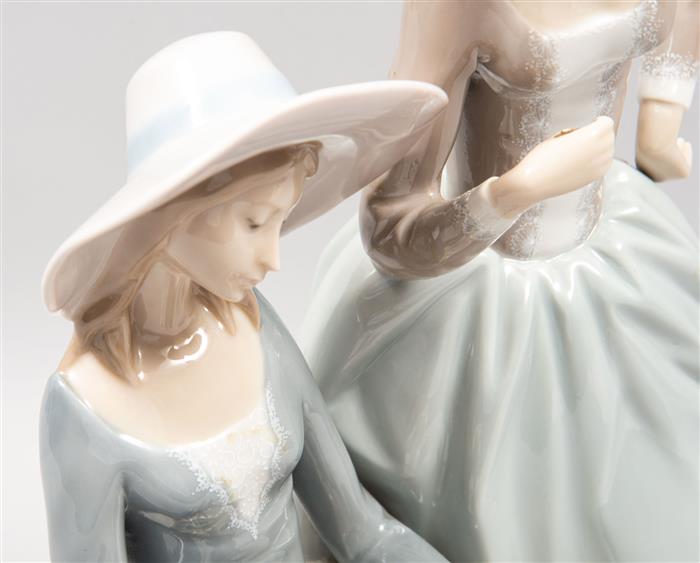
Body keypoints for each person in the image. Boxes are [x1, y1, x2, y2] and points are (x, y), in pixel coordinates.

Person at [302, 1, 699, 561]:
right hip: (478, 299)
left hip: (615, 254)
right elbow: (390, 228)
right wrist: (517, 191)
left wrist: (664, 106)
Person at [39, 32, 449, 562]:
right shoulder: (84, 408)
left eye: (281, 220)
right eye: (254, 222)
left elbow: (362, 532)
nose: (274, 259)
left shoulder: (255, 328)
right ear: (171, 216)